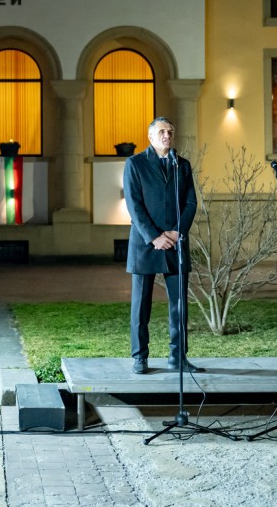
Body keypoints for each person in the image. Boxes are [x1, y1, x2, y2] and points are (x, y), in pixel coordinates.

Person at [123, 117, 198, 375]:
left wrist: (177, 232)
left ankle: (178, 357)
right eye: (162, 132)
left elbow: (191, 203)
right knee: (141, 306)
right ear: (151, 137)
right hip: (145, 244)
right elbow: (134, 204)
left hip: (175, 243)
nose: (167, 136)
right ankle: (140, 357)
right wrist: (154, 236)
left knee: (179, 305)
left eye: (171, 132)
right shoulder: (135, 164)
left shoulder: (182, 165)